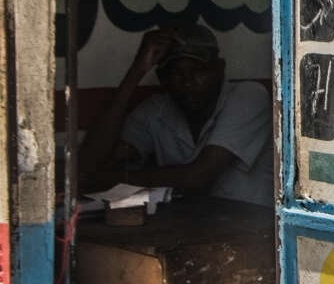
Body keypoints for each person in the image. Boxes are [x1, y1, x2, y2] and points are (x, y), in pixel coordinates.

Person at [79, 22, 274, 205]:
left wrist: (110, 178)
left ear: (219, 69)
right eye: (176, 72)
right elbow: (90, 165)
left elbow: (199, 175)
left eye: (198, 70)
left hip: (249, 231)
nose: (187, 81)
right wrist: (136, 71)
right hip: (190, 232)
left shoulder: (249, 96)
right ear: (163, 79)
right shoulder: (157, 110)